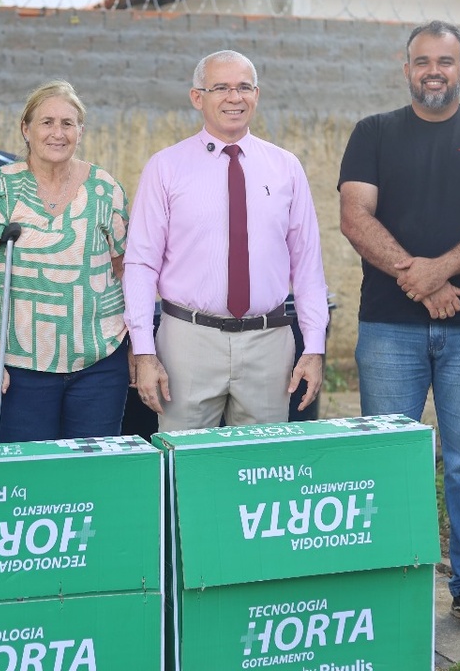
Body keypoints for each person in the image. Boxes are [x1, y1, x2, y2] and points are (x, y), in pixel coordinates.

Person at [338, 20, 460, 633]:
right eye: (422, 61)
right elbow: (354, 217)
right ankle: (389, 583)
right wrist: (419, 279)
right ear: (407, 69)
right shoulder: (373, 132)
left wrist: (438, 271)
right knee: (388, 457)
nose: (434, 71)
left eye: (445, 62)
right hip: (388, 328)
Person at [124, 50, 329, 431]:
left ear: (256, 95)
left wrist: (314, 347)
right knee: (184, 458)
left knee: (261, 460)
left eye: (244, 87)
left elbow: (308, 267)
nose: (234, 98)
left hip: (268, 344)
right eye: (220, 88)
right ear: (197, 97)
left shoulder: (286, 167)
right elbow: (140, 264)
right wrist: (144, 350)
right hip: (187, 343)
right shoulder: (165, 167)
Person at [0, 80, 130, 441]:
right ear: (26, 129)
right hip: (20, 367)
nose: (58, 133)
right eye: (47, 122)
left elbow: (125, 269)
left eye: (68, 123)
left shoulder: (105, 188)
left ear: (80, 131)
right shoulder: (0, 186)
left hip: (99, 362)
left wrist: (138, 347)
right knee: (30, 470)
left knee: (93, 467)